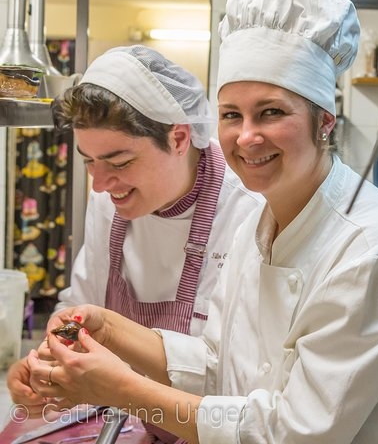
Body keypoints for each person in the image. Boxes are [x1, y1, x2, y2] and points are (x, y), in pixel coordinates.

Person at [28, 0, 378, 443]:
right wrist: (110, 328)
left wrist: (121, 388)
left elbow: (290, 433)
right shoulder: (259, 228)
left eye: (271, 112)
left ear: (324, 120)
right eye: (231, 115)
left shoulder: (375, 254)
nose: (246, 136)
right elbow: (218, 365)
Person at [8, 46, 261, 434]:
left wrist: (121, 385)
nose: (100, 183)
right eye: (88, 161)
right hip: (131, 422)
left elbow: (236, 379)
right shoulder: (108, 201)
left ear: (178, 138)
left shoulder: (249, 211)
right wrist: (49, 365)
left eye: (120, 162)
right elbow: (83, 305)